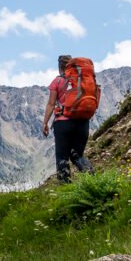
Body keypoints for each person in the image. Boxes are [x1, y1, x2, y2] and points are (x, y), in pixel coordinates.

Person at [42, 55, 95, 183]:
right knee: (77, 155)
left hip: (63, 123)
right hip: (82, 122)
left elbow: (51, 103)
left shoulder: (57, 81)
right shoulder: (83, 80)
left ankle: (65, 188)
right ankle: (94, 180)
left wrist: (45, 123)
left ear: (60, 67)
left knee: (62, 157)